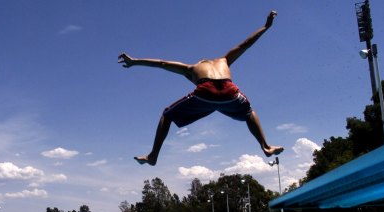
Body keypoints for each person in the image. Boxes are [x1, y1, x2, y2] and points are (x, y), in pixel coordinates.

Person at [118, 11, 283, 166]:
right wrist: (266, 26)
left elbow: (162, 63)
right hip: (230, 93)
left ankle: (153, 155)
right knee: (249, 112)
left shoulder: (191, 68)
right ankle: (265, 145)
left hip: (205, 93)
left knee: (167, 114)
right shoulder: (224, 60)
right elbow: (246, 44)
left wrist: (135, 61)